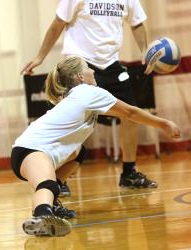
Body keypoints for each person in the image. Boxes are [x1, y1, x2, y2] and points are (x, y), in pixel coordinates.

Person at [15, 56, 180, 236]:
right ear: (80, 76)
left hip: (31, 150)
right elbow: (129, 112)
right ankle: (42, 217)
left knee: (78, 151)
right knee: (47, 184)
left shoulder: (75, 95)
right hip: (31, 149)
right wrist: (163, 124)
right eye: (88, 68)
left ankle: (50, 207)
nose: (93, 71)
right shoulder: (87, 92)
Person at [21, 0, 157, 194]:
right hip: (80, 64)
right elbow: (58, 24)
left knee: (130, 115)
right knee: (70, 121)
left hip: (111, 63)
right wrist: (40, 57)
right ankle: (59, 176)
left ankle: (129, 172)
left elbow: (136, 23)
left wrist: (144, 52)